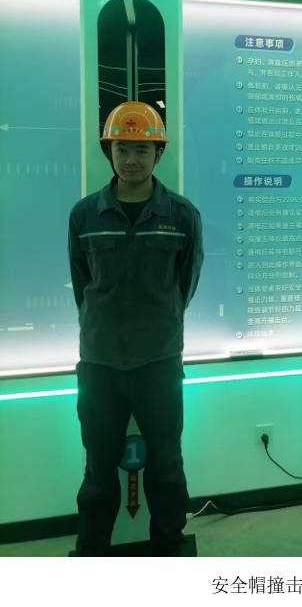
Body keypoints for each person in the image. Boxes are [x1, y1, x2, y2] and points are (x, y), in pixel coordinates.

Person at [67, 101, 203, 556]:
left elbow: (185, 284)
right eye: (122, 149)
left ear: (158, 153)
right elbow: (83, 286)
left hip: (159, 364)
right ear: (108, 151)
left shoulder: (181, 215)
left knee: (166, 467)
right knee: (97, 471)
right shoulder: (84, 215)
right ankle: (92, 553)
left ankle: (168, 549)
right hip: (99, 365)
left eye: (141, 150)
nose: (130, 160)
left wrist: (158, 321)